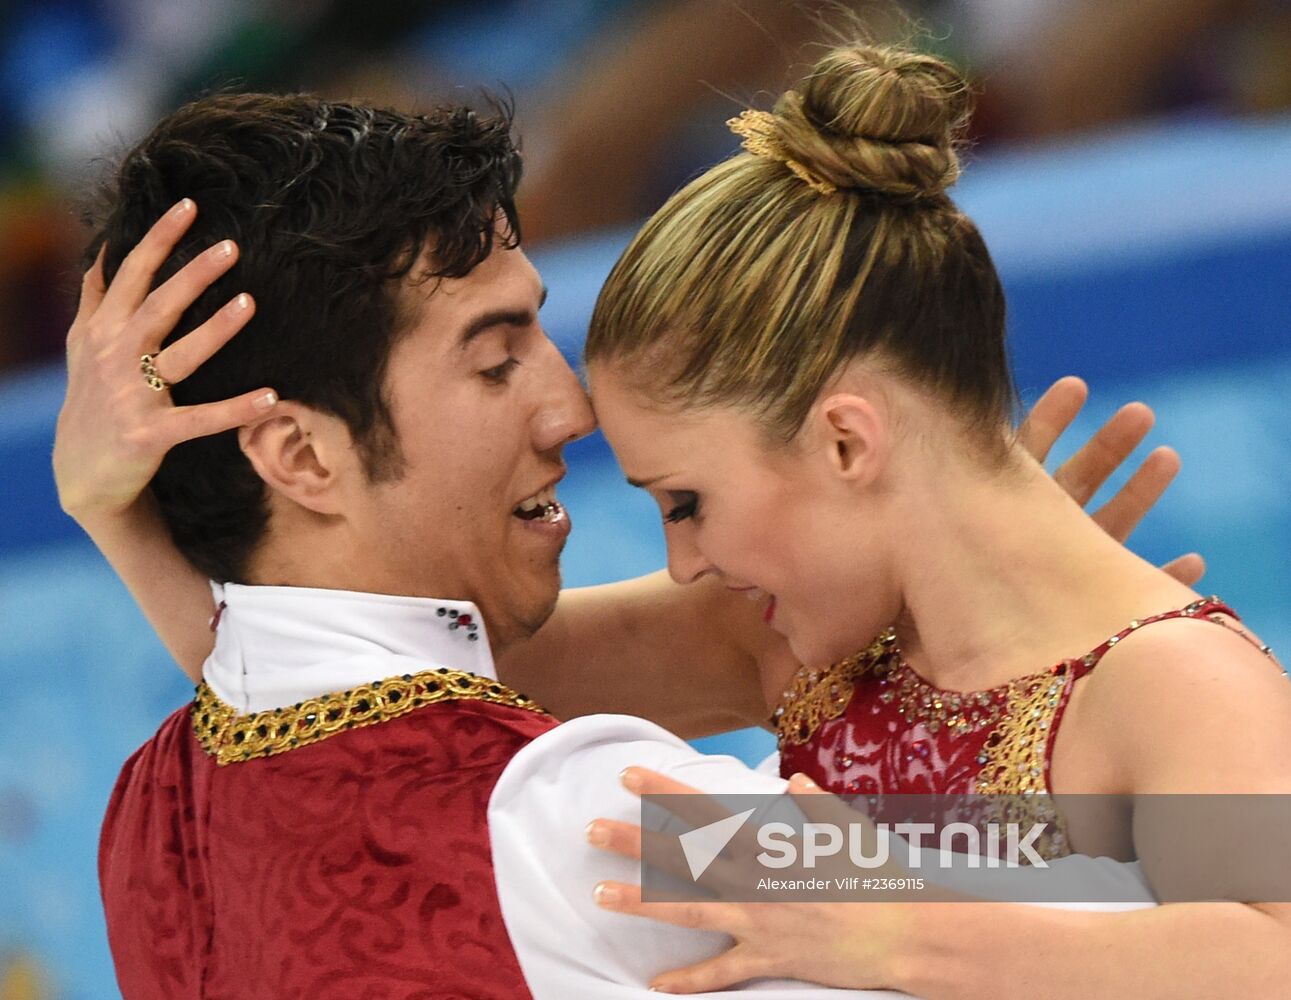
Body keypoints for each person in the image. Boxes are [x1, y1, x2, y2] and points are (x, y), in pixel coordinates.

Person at [58, 88, 1196, 999]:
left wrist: (114, 514)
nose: (570, 410)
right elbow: (1166, 897)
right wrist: (1102, 670)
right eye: (497, 358)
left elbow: (318, 698)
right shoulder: (602, 824)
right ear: (299, 458)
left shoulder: (152, 815)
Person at [564, 42, 1291, 995]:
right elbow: (426, 678)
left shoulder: (1174, 687)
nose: (685, 559)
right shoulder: (795, 644)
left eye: (686, 503)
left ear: (846, 445)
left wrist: (907, 934)